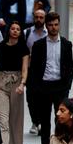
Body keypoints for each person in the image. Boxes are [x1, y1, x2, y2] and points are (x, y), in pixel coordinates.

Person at [28, 11, 73, 144]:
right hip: (44, 87)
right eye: (50, 25)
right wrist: (37, 87)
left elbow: (69, 68)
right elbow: (34, 69)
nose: (54, 27)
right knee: (45, 123)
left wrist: (66, 87)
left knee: (61, 121)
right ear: (46, 26)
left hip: (60, 87)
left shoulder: (67, 44)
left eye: (56, 24)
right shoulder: (39, 45)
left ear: (59, 25)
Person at [24, 8, 47, 136]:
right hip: (30, 70)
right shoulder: (27, 33)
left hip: (45, 71)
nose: (38, 19)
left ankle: (42, 122)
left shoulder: (48, 33)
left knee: (43, 98)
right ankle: (35, 121)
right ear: (33, 18)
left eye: (41, 17)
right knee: (31, 98)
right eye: (36, 17)